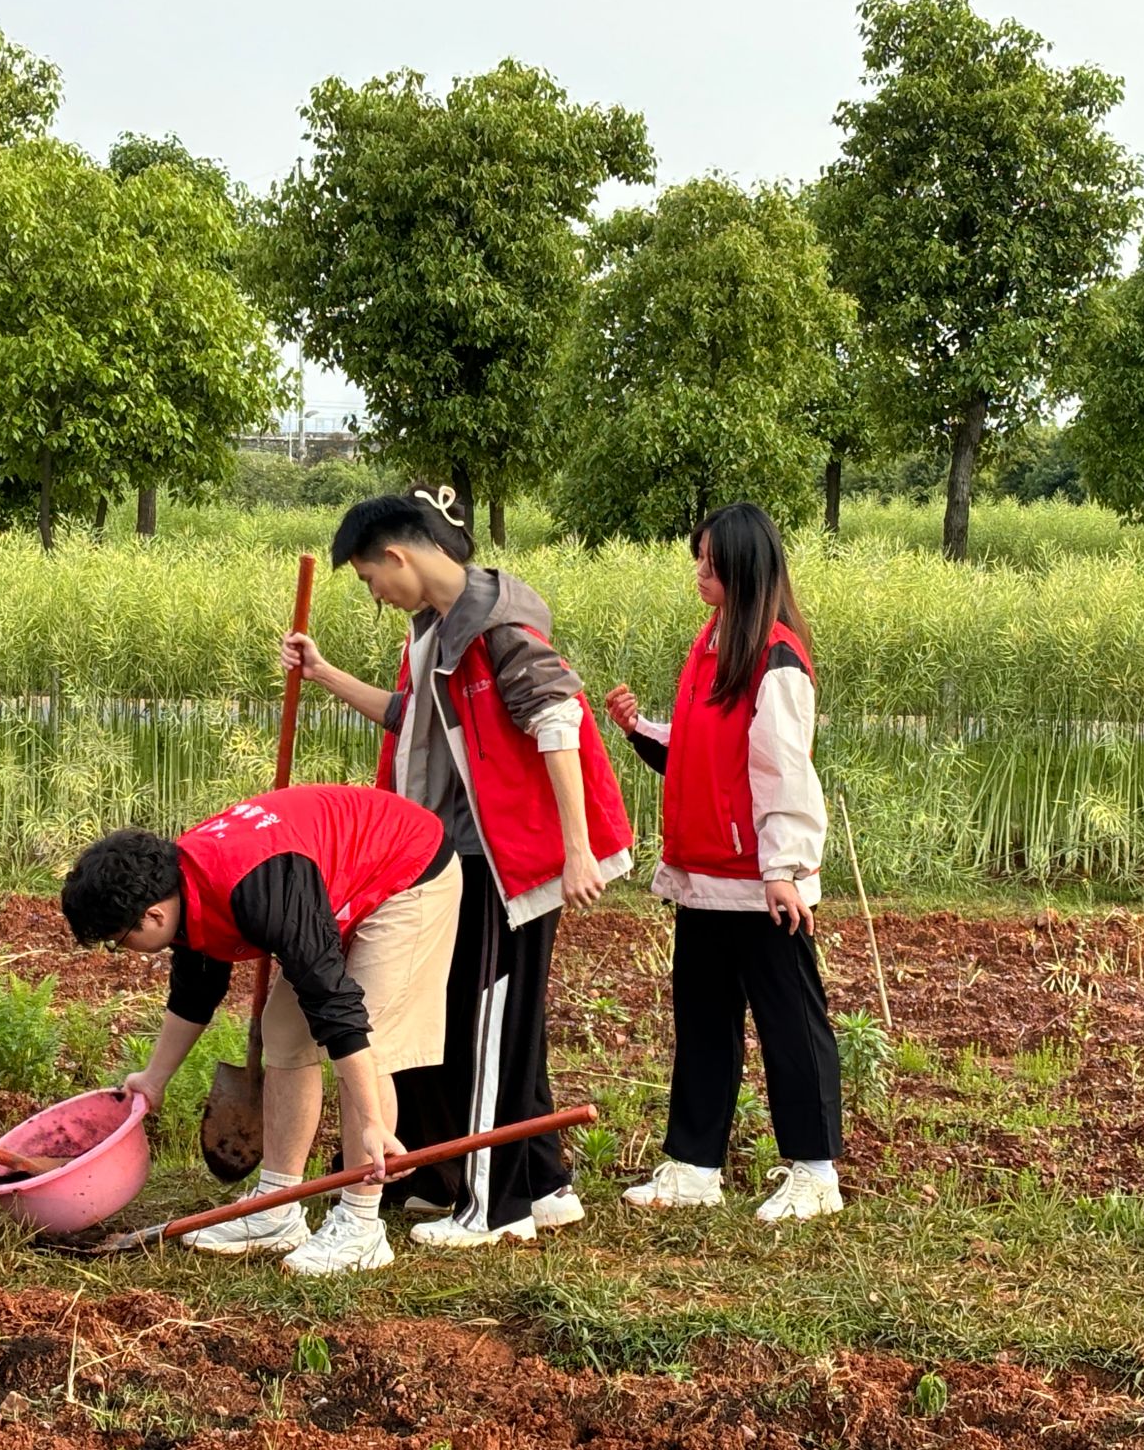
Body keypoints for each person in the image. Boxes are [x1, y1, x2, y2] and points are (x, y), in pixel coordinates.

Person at [282, 485, 633, 1247]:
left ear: (398, 556)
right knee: (504, 1026)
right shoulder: (436, 632)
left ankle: (494, 1210)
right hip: (453, 857)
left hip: (506, 863)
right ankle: (544, 1185)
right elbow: (409, 722)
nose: (376, 595)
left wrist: (576, 849)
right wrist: (324, 674)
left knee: (488, 1028)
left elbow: (559, 720)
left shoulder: (497, 627)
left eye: (371, 579)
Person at [62, 783, 462, 1275]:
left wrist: (372, 1121)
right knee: (285, 1032)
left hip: (406, 870)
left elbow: (334, 1005)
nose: (121, 950)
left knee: (367, 1041)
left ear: (152, 915)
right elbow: (195, 993)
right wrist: (154, 1079)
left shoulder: (258, 889)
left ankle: (361, 1226)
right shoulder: (183, 885)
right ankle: (276, 1208)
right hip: (334, 872)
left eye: (118, 940)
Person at [603, 503, 841, 1222]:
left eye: (710, 561)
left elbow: (783, 771)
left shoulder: (776, 658)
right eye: (698, 559)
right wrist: (639, 730)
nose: (700, 572)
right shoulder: (711, 646)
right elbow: (700, 753)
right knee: (703, 1024)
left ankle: (816, 1173)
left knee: (790, 1025)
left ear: (744, 567)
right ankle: (694, 1166)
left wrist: (785, 870)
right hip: (703, 877)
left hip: (761, 883)